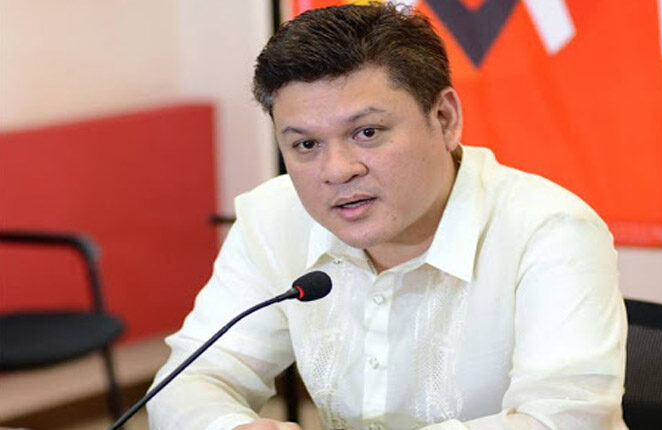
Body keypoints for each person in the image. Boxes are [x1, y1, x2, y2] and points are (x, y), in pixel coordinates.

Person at [147, 4, 628, 430]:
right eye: (306, 144)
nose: (337, 170)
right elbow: (190, 378)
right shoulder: (274, 217)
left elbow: (566, 420)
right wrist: (230, 426)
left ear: (444, 119)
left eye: (368, 132)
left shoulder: (549, 230)